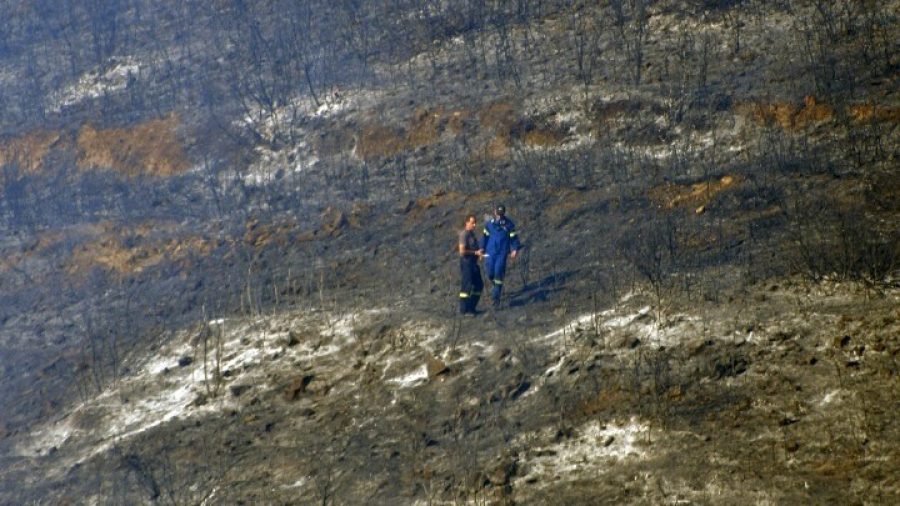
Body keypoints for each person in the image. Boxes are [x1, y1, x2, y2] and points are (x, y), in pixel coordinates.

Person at [481, 204, 521, 308]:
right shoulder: (489, 224)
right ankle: (497, 287)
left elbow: (514, 238)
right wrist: (481, 249)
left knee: (498, 272)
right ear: (495, 212)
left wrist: (515, 249)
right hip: (490, 252)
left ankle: (495, 298)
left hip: (502, 253)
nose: (500, 216)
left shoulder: (509, 225)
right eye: (498, 214)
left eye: (501, 214)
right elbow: (484, 238)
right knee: (490, 273)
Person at [458, 214, 484, 315]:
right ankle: (463, 310)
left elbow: (475, 248)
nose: (474, 225)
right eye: (472, 223)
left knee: (479, 285)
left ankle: (471, 308)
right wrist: (475, 253)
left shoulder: (472, 234)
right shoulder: (464, 235)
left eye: (475, 223)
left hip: (473, 262)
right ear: (467, 223)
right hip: (466, 263)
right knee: (467, 286)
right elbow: (462, 251)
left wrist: (479, 253)